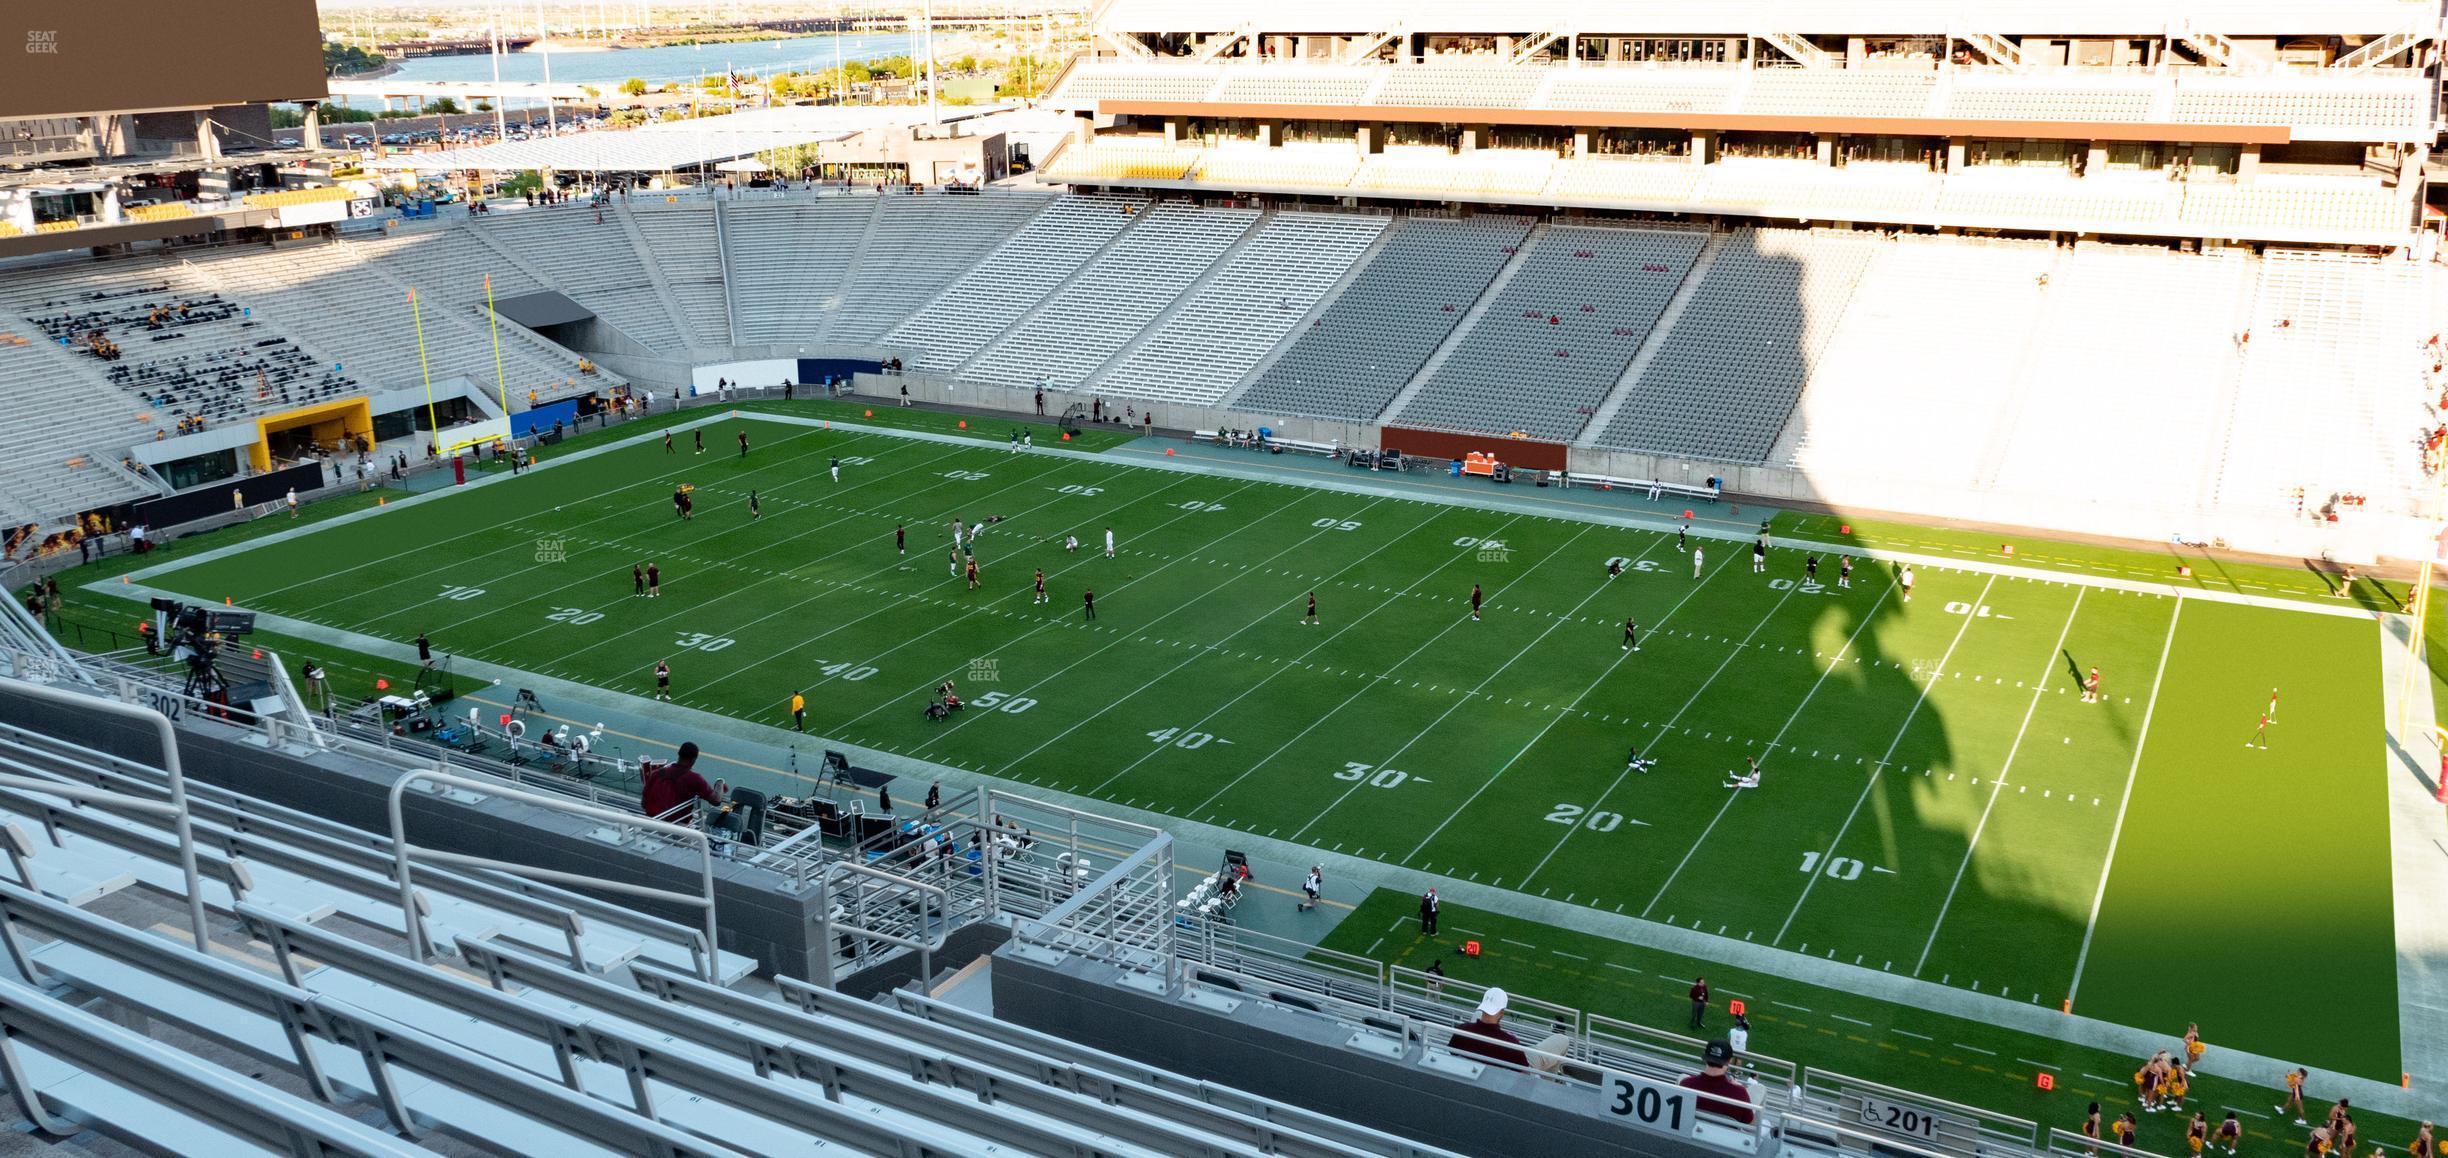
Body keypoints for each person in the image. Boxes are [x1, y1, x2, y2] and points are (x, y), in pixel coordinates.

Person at [639, 741, 721, 822]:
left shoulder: (656, 774)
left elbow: (643, 803)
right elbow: (716, 801)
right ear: (694, 759)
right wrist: (720, 783)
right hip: (676, 827)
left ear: (678, 754)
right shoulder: (694, 778)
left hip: (650, 822)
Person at [1447, 988, 1528, 1069]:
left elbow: (1449, 1055)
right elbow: (1524, 1073)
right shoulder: (1511, 1043)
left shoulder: (1462, 1030)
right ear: (1502, 1013)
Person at [1678, 1040, 1755, 1124]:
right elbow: (1750, 1125)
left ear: (1705, 1058)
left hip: (1692, 1133)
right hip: (1724, 1136)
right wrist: (1739, 1088)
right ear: (1729, 1061)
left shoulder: (1686, 1084)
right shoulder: (1740, 1092)